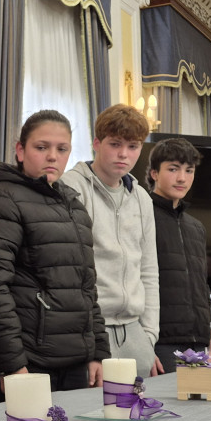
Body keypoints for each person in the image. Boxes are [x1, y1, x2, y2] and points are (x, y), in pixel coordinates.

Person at [0, 110, 108, 394]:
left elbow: (87, 289)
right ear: (20, 150)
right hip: (28, 363)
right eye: (41, 147)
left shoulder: (74, 206)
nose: (52, 157)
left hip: (76, 362)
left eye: (62, 149)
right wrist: (11, 364)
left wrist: (98, 352)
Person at [59, 105, 160, 379]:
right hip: (90, 331)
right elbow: (69, 271)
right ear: (96, 143)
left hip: (135, 332)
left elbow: (149, 269)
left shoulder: (141, 197)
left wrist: (149, 334)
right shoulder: (72, 188)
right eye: (115, 144)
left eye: (133, 146)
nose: (124, 154)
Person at [147, 138, 211, 371]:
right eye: (173, 169)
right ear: (154, 173)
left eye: (189, 170)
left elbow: (202, 289)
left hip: (198, 343)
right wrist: (143, 346)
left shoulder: (196, 227)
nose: (182, 178)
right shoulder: (140, 215)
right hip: (159, 343)